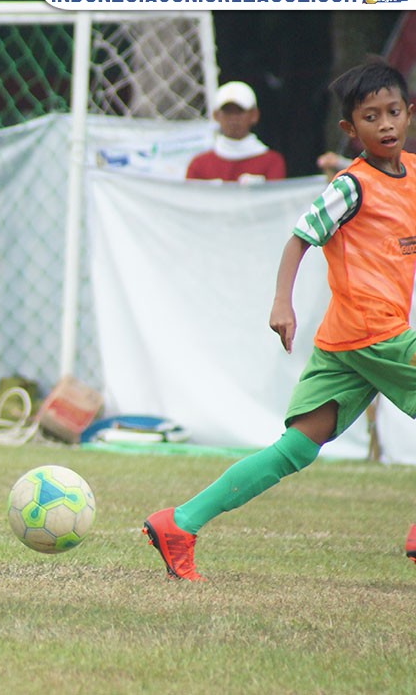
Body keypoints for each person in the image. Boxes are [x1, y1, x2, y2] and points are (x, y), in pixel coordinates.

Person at [144, 59, 416, 581]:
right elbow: (300, 236)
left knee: (296, 448)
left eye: (393, 112)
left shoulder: (412, 175)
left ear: (408, 115)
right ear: (349, 129)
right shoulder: (350, 186)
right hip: (372, 331)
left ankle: (179, 522)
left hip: (346, 343)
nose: (385, 124)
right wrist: (281, 302)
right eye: (371, 116)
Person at [185, 80, 287, 184]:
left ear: (254, 115)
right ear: (216, 116)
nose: (233, 118)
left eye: (240, 111)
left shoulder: (271, 162)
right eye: (227, 112)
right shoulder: (199, 164)